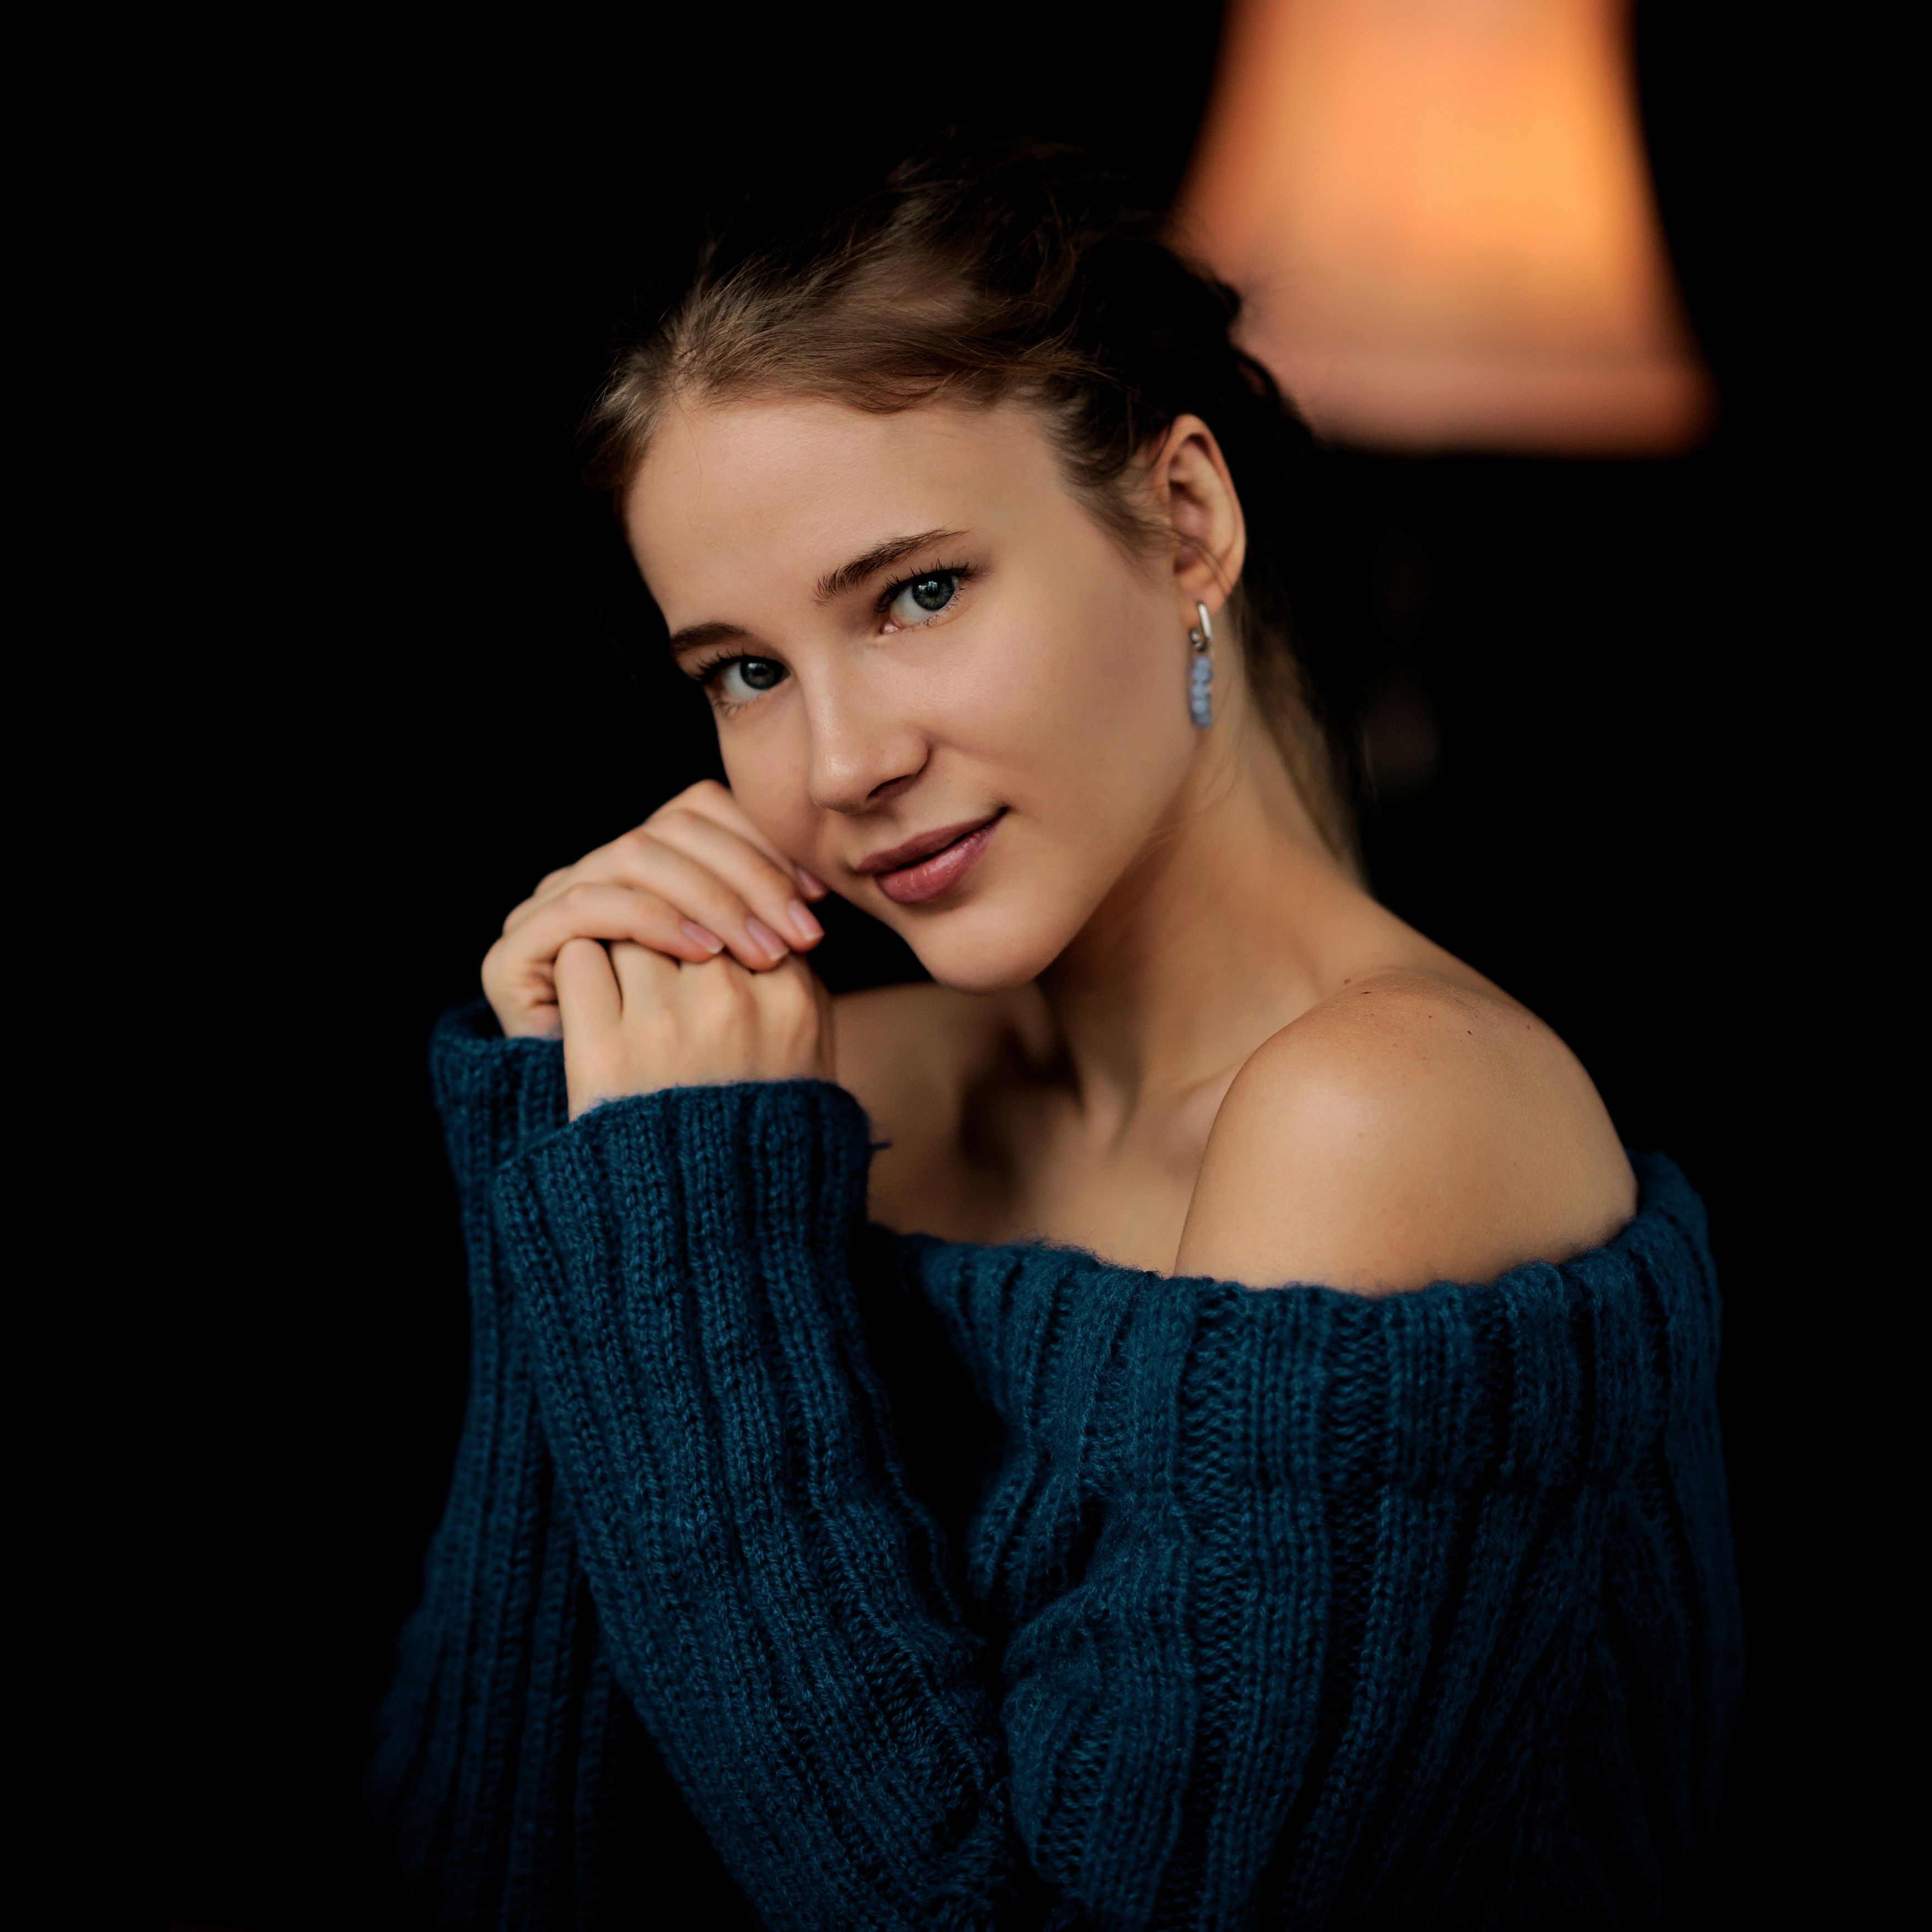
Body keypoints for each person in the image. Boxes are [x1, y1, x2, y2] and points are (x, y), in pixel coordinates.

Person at [374, 139, 1739, 1927]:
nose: (842, 763)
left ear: (1184, 520)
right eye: (747, 671)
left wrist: (681, 1247)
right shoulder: (792, 1096)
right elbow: (494, 1859)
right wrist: (570, 1144)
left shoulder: (1397, 1115)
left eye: (917, 592)